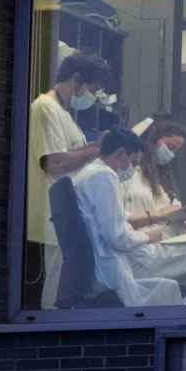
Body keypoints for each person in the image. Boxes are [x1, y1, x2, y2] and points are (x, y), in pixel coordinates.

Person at [73, 128, 186, 306]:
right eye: (132, 162)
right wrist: (148, 236)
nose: (131, 168)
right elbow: (117, 238)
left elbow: (119, 221)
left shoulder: (89, 173)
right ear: (121, 154)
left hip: (119, 256)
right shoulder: (104, 176)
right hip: (119, 262)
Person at [28, 52, 110, 309]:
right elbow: (54, 163)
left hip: (69, 221)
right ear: (76, 79)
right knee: (52, 301)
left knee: (66, 298)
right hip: (52, 222)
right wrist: (97, 149)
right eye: (92, 89)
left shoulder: (65, 115)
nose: (92, 97)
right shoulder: (45, 108)